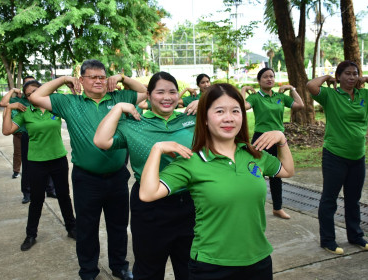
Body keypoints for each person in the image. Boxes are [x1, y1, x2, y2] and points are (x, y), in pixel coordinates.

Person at [139, 83, 294, 280]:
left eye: (235, 111)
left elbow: (287, 170)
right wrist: (157, 149)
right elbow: (147, 193)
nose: (229, 118)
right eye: (219, 111)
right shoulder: (192, 161)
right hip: (211, 265)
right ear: (204, 118)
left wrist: (281, 139)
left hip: (258, 260)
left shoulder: (254, 154)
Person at [28, 59, 147, 280]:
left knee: (118, 226)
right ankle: (89, 271)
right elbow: (35, 96)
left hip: (117, 176)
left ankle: (119, 266)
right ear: (81, 80)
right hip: (86, 179)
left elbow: (145, 92)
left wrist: (122, 78)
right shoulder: (70, 102)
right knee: (87, 228)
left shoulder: (119, 97)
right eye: (92, 77)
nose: (98, 81)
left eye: (102, 76)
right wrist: (64, 79)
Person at [94, 71, 198, 280]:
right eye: (160, 92)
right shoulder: (134, 123)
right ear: (148, 96)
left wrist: (205, 103)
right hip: (150, 206)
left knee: (190, 268)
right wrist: (118, 108)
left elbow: (230, 114)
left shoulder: (191, 119)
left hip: (191, 202)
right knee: (149, 269)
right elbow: (101, 141)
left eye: (172, 92)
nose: (167, 97)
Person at [2, 80, 76, 251]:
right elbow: (6, 131)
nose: (32, 96)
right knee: (37, 199)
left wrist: (70, 86)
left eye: (35, 91)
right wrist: (9, 109)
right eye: (28, 94)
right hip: (36, 162)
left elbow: (75, 105)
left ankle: (72, 228)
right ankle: (31, 235)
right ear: (26, 98)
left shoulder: (55, 107)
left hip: (58, 159)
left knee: (64, 196)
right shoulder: (26, 111)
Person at [306, 60, 368, 255]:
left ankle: (355, 235)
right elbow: (311, 85)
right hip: (335, 155)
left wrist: (365, 78)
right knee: (329, 199)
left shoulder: (363, 95)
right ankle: (328, 240)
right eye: (347, 73)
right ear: (339, 76)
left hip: (358, 156)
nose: (351, 77)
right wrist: (328, 77)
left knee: (353, 199)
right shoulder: (330, 95)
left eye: (355, 73)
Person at [241, 67, 304, 219]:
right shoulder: (255, 97)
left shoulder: (280, 97)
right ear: (259, 81)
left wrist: (291, 88)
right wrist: (243, 90)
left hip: (278, 139)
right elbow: (241, 107)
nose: (269, 79)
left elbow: (299, 105)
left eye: (271, 76)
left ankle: (277, 208)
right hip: (261, 139)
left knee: (278, 174)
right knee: (257, 175)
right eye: (265, 77)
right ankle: (255, 209)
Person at [0, 76, 57, 203]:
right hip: (27, 136)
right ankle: (27, 192)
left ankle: (51, 189)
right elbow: (3, 105)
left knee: (51, 163)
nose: (31, 93)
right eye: (27, 89)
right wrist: (12, 95)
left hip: (47, 137)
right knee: (27, 166)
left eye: (34, 89)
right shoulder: (21, 101)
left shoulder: (49, 102)